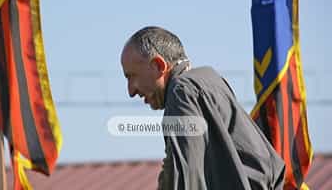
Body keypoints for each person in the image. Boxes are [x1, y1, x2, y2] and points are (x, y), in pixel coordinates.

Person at [120, 26, 285, 190]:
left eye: (131, 76)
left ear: (158, 65)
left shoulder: (182, 91)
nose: (131, 91)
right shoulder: (209, 80)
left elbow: (186, 173)